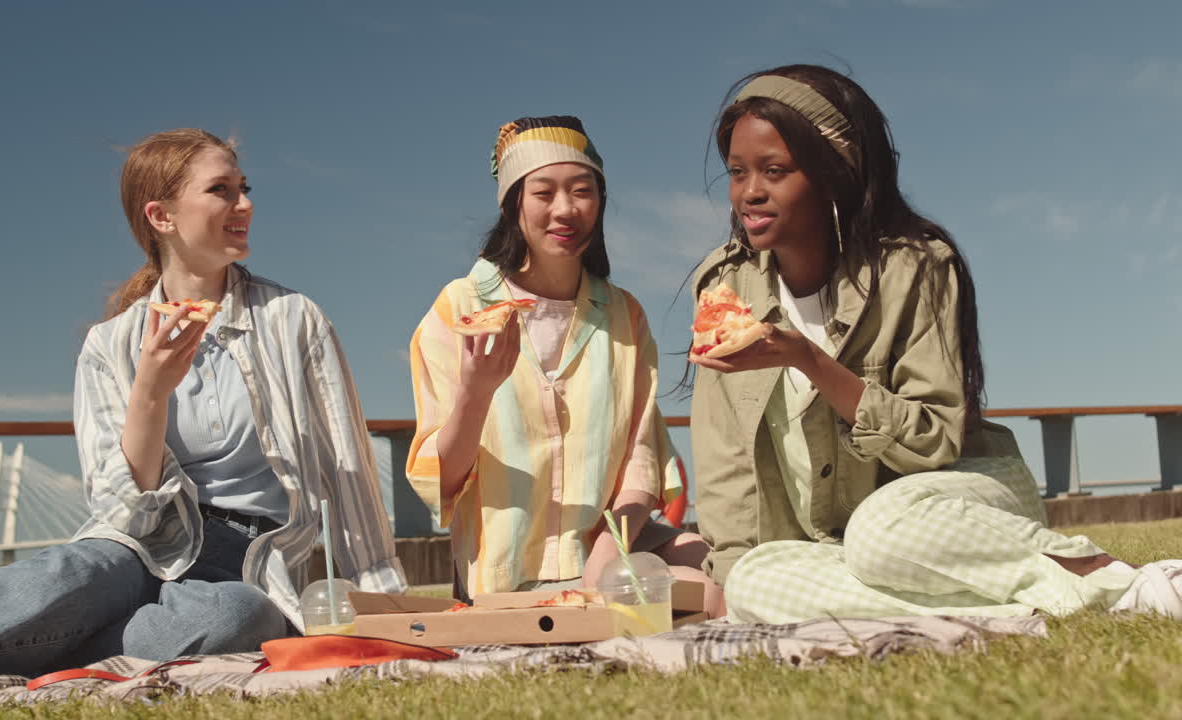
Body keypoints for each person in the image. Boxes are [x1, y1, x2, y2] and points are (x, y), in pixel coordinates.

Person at [0, 128, 406, 692]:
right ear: (162, 216)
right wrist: (150, 392)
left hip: (246, 558)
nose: (245, 204)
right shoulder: (111, 344)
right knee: (72, 572)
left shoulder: (293, 320)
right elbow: (120, 509)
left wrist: (384, 598)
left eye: (244, 187)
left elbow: (349, 468)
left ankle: (43, 652)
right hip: (137, 544)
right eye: (221, 190)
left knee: (236, 618)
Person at [687, 65, 1178, 623]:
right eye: (737, 172)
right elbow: (723, 455)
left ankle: (1121, 584)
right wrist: (729, 574)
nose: (749, 192)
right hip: (840, 547)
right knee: (753, 581)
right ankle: (1008, 615)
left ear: (833, 173)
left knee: (882, 531)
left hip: (948, 508)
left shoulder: (915, 266)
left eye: (774, 171)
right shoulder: (724, 287)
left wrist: (809, 359)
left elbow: (935, 442)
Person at [406, 116, 723, 616]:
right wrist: (476, 392)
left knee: (721, 566)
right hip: (508, 572)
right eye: (543, 192)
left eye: (582, 191)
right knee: (702, 591)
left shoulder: (624, 314)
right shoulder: (460, 309)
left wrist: (605, 556)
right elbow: (439, 484)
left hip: (611, 542)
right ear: (514, 202)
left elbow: (640, 461)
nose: (566, 209)